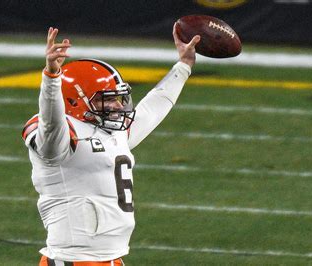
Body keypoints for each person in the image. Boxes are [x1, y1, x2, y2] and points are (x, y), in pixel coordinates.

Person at [22, 24, 200, 265]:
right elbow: (51, 123)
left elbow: (153, 107)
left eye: (117, 98)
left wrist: (183, 66)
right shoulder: (59, 136)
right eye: (107, 100)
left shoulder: (112, 131)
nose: (117, 106)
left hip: (112, 258)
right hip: (72, 259)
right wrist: (52, 79)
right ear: (75, 100)